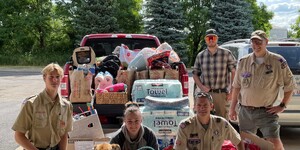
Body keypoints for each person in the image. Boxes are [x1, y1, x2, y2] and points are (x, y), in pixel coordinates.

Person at [229, 30, 296, 150]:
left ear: (266, 42)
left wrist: (282, 105)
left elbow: (290, 86)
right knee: (246, 144)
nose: (256, 45)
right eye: (253, 42)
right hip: (245, 111)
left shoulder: (277, 61)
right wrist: (232, 108)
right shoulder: (243, 62)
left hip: (266, 112)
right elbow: (237, 86)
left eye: (259, 42)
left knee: (274, 144)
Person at [12, 63, 73, 150]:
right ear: (44, 78)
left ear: (61, 78)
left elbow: (64, 134)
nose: (54, 80)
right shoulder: (31, 104)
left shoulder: (66, 106)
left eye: (57, 77)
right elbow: (19, 136)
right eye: (51, 77)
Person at [174, 92, 244, 150]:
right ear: (194, 107)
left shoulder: (221, 124)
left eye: (205, 105)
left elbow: (238, 141)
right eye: (199, 105)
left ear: (211, 107)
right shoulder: (185, 126)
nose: (202, 108)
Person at [193, 28, 237, 120]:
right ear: (205, 40)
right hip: (205, 94)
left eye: (213, 37)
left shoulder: (226, 53)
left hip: (221, 94)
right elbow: (195, 74)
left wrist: (232, 92)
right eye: (208, 38)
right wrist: (202, 87)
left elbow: (234, 72)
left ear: (217, 38)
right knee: (204, 119)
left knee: (222, 121)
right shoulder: (200, 56)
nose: (211, 40)